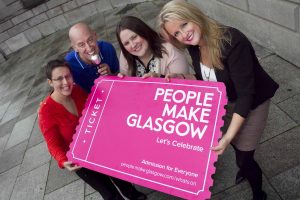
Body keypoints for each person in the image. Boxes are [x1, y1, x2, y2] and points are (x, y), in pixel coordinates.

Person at [157, 1, 279, 200]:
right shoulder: (194, 44)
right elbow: (206, 78)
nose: (183, 34)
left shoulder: (232, 41)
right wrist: (180, 78)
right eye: (176, 33)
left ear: (194, 15)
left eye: (184, 24)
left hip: (253, 102)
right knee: (237, 147)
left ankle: (259, 193)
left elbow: (246, 94)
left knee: (243, 156)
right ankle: (244, 165)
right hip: (227, 101)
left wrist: (228, 136)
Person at [38, 59, 147, 200]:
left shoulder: (76, 90)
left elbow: (94, 111)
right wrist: (63, 160)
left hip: (98, 145)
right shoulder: (46, 111)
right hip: (79, 158)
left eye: (68, 76)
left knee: (119, 175)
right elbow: (52, 143)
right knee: (108, 192)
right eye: (59, 79)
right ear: (50, 82)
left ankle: (132, 194)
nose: (65, 82)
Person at [116, 16, 189, 78]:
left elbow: (181, 87)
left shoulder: (171, 51)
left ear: (143, 31)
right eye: (126, 43)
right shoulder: (125, 54)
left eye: (134, 37)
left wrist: (159, 79)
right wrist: (124, 81)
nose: (132, 45)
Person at [65, 22, 119, 93]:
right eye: (81, 45)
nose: (89, 48)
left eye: (90, 40)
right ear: (75, 48)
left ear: (95, 36)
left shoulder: (107, 48)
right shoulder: (69, 64)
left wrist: (110, 75)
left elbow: (119, 75)